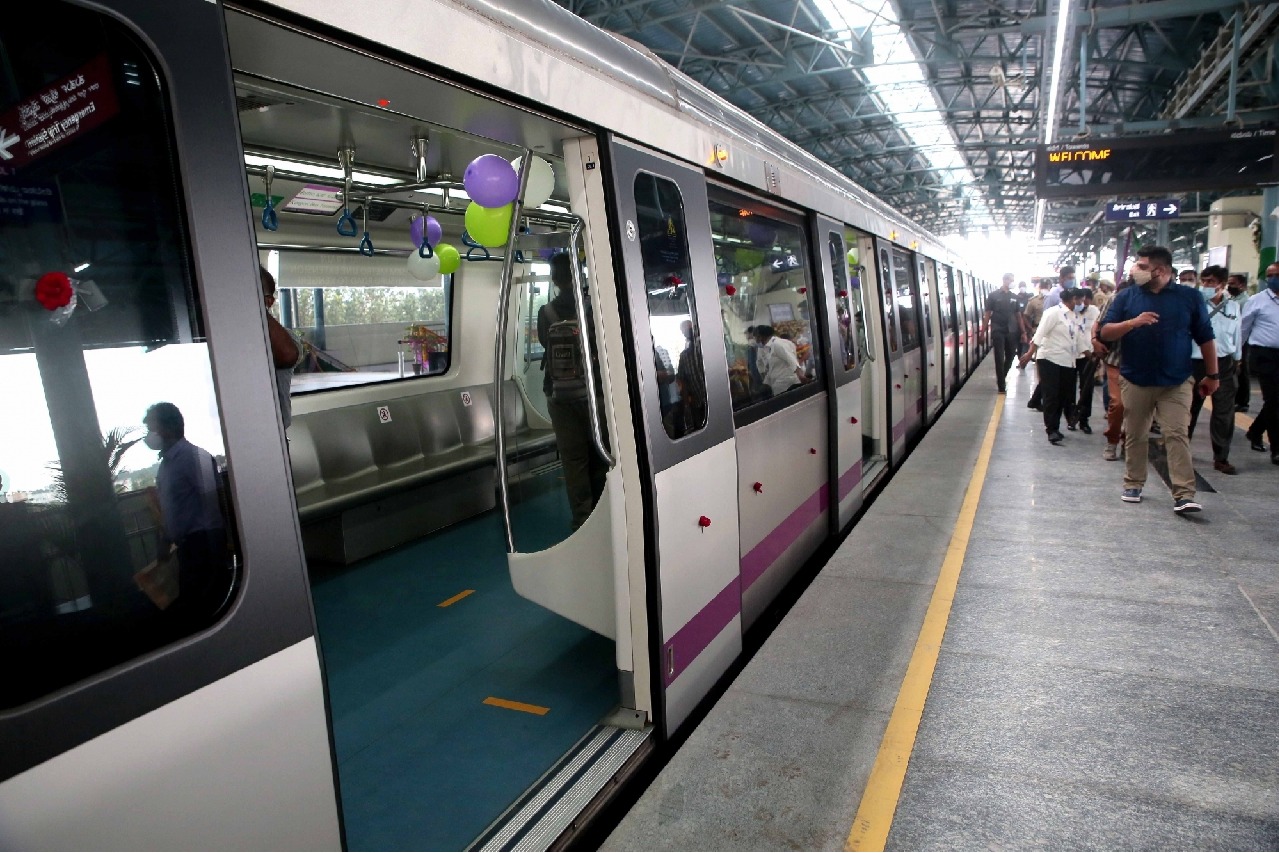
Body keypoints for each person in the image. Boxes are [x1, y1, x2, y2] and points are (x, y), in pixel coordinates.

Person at [1098, 245, 1218, 513]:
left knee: (1176, 434)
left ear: (1160, 270)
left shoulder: (1189, 297)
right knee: (1136, 434)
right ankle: (1133, 483)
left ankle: (1184, 494)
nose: (1134, 270)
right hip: (1135, 379)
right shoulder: (1127, 297)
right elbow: (1106, 332)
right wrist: (1133, 323)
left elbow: (1206, 338)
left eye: (1141, 266)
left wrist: (1213, 375)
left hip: (1176, 381)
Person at [537, 253, 608, 530]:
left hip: (559, 394)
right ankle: (603, 515)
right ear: (579, 276)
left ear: (555, 279)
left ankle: (582, 520)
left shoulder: (546, 313)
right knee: (599, 454)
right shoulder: (593, 308)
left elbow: (546, 344)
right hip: (595, 392)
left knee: (574, 460)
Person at [143, 402, 229, 623]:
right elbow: (175, 508)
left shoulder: (193, 457)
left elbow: (215, 500)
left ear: (169, 428)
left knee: (206, 606)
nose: (148, 436)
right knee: (192, 606)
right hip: (186, 547)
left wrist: (219, 545)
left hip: (204, 545)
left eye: (151, 428)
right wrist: (166, 539)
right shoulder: (166, 466)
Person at [1187, 266, 1241, 474]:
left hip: (1225, 363)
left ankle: (1221, 457)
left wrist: (1237, 359)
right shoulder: (1194, 304)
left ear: (1222, 284)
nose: (1206, 285)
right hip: (1195, 362)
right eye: (1204, 281)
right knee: (1189, 409)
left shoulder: (1233, 307)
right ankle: (1181, 451)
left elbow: (1237, 333)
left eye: (1211, 281)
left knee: (1224, 412)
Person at [1018, 288, 1082, 444]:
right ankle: (1051, 430)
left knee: (1062, 395)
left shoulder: (1074, 316)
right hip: (1050, 359)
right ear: (1072, 299)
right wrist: (1029, 354)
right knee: (1051, 395)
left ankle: (1056, 427)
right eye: (1079, 300)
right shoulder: (1053, 313)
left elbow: (1076, 338)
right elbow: (1039, 334)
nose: (1081, 303)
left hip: (1067, 360)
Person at [1240, 261, 1279, 464]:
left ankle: (1255, 430)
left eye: (1277, 274)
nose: (1273, 279)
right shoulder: (1257, 301)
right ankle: (1276, 448)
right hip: (1264, 355)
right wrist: (1237, 355)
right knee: (1273, 401)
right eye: (1270, 275)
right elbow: (1243, 329)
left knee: (1276, 401)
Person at [260, 266, 301, 429]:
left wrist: (256, 307)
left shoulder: (286, 337)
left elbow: (287, 354)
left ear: (268, 302)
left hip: (272, 434)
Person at [984, 273, 1021, 393]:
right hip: (998, 330)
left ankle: (1002, 375)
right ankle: (1001, 384)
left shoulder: (1015, 297)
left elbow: (1018, 315)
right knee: (999, 357)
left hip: (1012, 331)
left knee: (1010, 356)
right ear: (1004, 280)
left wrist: (1023, 332)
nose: (1012, 282)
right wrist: (982, 332)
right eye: (1011, 280)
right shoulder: (993, 296)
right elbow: (988, 314)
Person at [1072, 288, 1101, 433]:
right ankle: (1071, 416)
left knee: (1086, 389)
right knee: (1068, 388)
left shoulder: (1095, 312)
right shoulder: (1069, 312)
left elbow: (1098, 330)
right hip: (1070, 355)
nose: (1081, 303)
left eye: (1084, 300)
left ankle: (1084, 419)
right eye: (1078, 300)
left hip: (1088, 356)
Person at [754, 323, 804, 397]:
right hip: (778, 382)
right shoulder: (765, 348)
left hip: (786, 383)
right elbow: (764, 365)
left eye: (756, 337)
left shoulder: (777, 344)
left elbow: (791, 359)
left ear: (761, 337)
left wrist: (801, 376)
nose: (755, 340)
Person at [1021, 280, 1051, 402]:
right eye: (1043, 286)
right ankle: (1041, 393)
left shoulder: (1055, 298)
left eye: (1046, 286)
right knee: (1041, 361)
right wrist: (1029, 328)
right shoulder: (1033, 301)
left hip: (1052, 333)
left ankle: (1038, 397)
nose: (1045, 288)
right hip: (1038, 330)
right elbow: (1026, 315)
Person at [1228, 273, 1252, 412]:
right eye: (1229, 283)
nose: (1230, 286)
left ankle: (1243, 402)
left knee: (1242, 372)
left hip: (1242, 340)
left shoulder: (1245, 302)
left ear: (1242, 285)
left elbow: (1244, 325)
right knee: (1235, 372)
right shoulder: (1233, 299)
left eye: (1233, 284)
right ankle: (1237, 399)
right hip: (1233, 340)